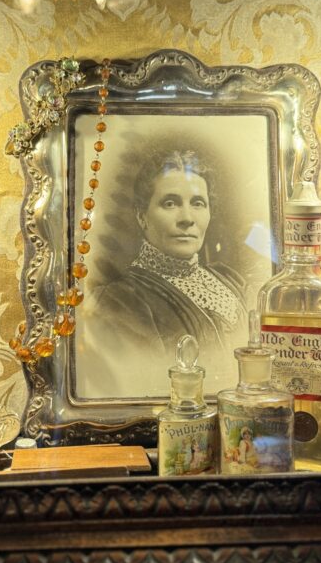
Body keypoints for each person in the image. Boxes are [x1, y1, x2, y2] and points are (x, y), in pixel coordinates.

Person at [81, 149, 247, 398]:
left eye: (198, 203)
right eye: (170, 203)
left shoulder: (231, 280)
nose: (187, 218)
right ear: (142, 216)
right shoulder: (119, 301)